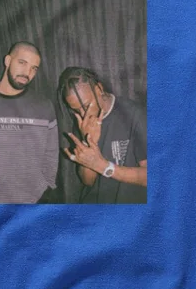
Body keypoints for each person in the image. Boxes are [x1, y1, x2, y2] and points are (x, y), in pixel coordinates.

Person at [0, 42, 59, 203]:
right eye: (22, 63)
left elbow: (51, 153)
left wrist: (45, 185)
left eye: (34, 68)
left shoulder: (44, 106)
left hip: (29, 202)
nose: (27, 72)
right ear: (8, 61)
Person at [58, 67, 147, 203]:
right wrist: (89, 141)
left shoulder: (135, 115)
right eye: (76, 110)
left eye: (86, 106)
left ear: (99, 89)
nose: (83, 114)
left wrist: (104, 167)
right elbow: (88, 181)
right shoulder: (82, 122)